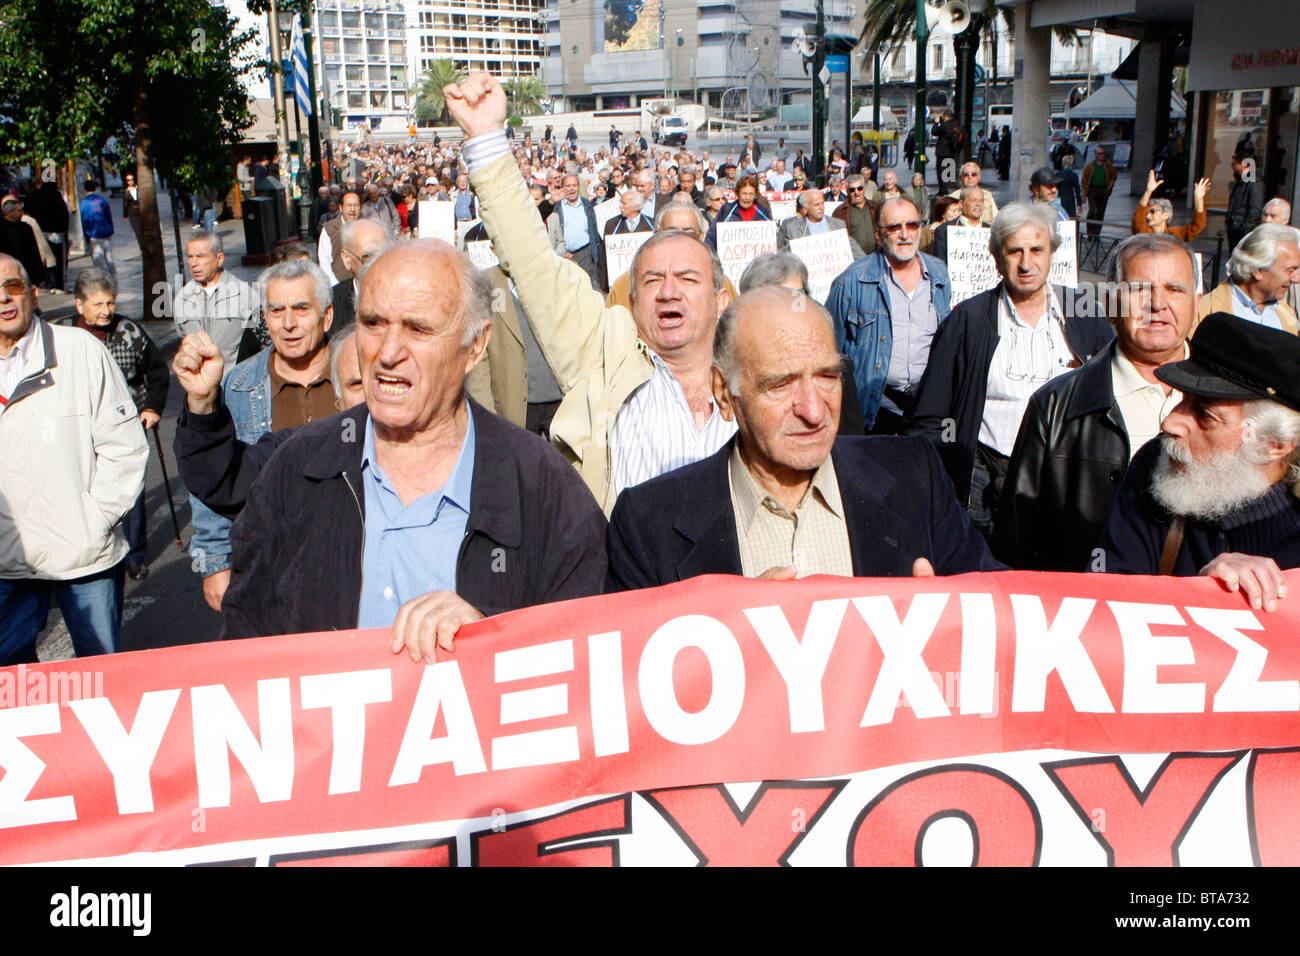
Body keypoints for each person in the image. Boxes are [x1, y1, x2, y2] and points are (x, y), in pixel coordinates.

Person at [217, 241, 608, 658]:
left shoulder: (542, 487)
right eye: (373, 323)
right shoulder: (296, 471)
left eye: (418, 329)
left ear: (475, 346)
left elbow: (590, 659)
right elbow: (245, 653)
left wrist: (492, 640)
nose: (387, 353)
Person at [447, 72, 736, 514]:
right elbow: (533, 262)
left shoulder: (752, 376)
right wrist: (487, 139)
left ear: (720, 299)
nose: (669, 292)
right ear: (632, 299)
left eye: (688, 279)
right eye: (652, 280)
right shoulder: (604, 352)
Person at [604, 286, 1001, 590]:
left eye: (828, 377)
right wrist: (727, 630)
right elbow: (627, 684)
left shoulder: (915, 475)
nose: (813, 411)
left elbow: (1008, 616)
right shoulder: (646, 524)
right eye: (781, 385)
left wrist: (955, 619)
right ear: (724, 394)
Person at [995, 233, 1197, 571]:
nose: (1158, 304)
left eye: (1175, 289)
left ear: (1197, 300)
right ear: (1111, 301)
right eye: (1140, 289)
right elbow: (1017, 541)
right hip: (1092, 608)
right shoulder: (1056, 405)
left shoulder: (1232, 402)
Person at [911, 203, 1113, 537]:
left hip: (1064, 482)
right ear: (996, 257)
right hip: (983, 479)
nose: (1026, 263)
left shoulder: (1085, 313)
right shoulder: (968, 320)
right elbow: (931, 415)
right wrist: (945, 477)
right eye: (1014, 251)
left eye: (1037, 250)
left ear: (1052, 254)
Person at [0, 254, 148, 665]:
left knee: (100, 677)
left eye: (12, 287)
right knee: (12, 691)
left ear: (32, 294)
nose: (3, 300)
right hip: (7, 564)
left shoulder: (80, 350)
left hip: (84, 556)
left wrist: (95, 519)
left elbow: (125, 446)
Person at [1092, 312, 1300, 596]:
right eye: (1182, 399)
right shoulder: (1158, 463)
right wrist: (1199, 593)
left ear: (1274, 444)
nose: (1170, 423)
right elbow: (1104, 597)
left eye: (1205, 415)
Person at [186, 259, 338, 613]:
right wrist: (215, 563)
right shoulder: (235, 386)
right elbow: (212, 479)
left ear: (326, 316)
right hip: (267, 568)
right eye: (276, 310)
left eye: (301, 309)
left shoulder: (360, 375)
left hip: (349, 559)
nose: (288, 323)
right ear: (264, 318)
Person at [71, 267, 169, 582]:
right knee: (86, 490)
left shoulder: (129, 330)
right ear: (79, 305)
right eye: (97, 304)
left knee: (130, 490)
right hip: (79, 427)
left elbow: (157, 371)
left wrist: (152, 407)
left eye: (110, 303)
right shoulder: (65, 336)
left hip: (126, 424)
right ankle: (94, 550)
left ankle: (134, 555)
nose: (106, 311)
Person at [827, 196, 951, 436]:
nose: (905, 234)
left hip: (927, 409)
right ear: (878, 234)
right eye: (894, 227)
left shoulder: (939, 274)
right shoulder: (851, 282)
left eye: (912, 225)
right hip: (874, 413)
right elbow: (831, 354)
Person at [173, 229, 256, 366]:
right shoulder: (182, 298)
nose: (194, 263)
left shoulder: (245, 296)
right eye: (190, 256)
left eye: (200, 256)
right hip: (198, 385)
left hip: (234, 384)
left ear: (219, 259)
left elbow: (261, 350)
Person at [1196, 223, 1299, 333]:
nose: (1296, 279)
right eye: (1290, 270)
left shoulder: (1286, 315)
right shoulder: (1201, 314)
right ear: (1257, 270)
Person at [546, 172, 606, 292]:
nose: (571, 188)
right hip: (563, 256)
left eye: (574, 185)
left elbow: (594, 231)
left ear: (579, 186)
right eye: (568, 186)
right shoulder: (556, 208)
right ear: (562, 188)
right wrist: (562, 253)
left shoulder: (587, 205)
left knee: (591, 290)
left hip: (585, 255)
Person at [777, 189, 866, 259]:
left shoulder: (838, 225)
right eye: (816, 205)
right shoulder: (792, 228)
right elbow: (782, 254)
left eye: (822, 203)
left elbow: (856, 252)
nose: (821, 207)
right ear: (806, 208)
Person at [1132, 169, 1210, 240]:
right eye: (1147, 213)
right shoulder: (1144, 233)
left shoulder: (1174, 234)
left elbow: (1197, 226)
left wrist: (1198, 199)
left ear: (1166, 215)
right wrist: (1148, 192)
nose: (1148, 216)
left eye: (1153, 211)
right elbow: (1138, 219)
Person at [704, 174, 772, 250]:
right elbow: (711, 238)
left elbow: (772, 237)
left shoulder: (763, 212)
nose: (747, 198)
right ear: (737, 194)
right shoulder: (727, 210)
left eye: (751, 194)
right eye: (744, 193)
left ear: (755, 194)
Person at [930, 186, 987, 265]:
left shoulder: (992, 231)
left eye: (981, 201)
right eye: (974, 200)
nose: (978, 204)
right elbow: (939, 266)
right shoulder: (944, 231)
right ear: (961, 203)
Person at [318, 188, 363, 284]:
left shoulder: (366, 226)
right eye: (348, 205)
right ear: (341, 208)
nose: (352, 209)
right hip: (339, 283)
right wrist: (335, 285)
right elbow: (324, 260)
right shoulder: (329, 229)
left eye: (356, 205)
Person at [0, 197, 48, 288]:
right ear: (10, 212)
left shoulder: (26, 228)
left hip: (25, 271)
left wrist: (40, 275)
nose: (21, 213)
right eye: (19, 210)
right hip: (6, 271)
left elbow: (34, 252)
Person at [832, 174, 878, 256]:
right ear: (847, 191)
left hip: (875, 256)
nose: (857, 192)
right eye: (852, 190)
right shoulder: (840, 212)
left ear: (864, 189)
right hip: (854, 259)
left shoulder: (875, 207)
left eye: (860, 188)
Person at [1226, 152, 1264, 253]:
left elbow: (1255, 209)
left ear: (1243, 165)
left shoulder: (1253, 182)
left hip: (1241, 230)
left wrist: (1243, 229)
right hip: (1235, 228)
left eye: (1234, 164)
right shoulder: (1241, 181)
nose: (1232, 167)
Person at [79, 181, 116, 276]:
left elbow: (85, 220)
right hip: (107, 232)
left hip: (94, 234)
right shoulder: (103, 201)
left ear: (85, 189)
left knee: (99, 259)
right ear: (95, 188)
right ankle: (113, 275)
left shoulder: (84, 203)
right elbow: (109, 216)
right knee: (109, 257)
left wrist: (87, 235)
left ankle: (105, 278)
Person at [1080, 147, 1117, 238]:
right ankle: (1090, 232)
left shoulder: (1108, 165)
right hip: (1092, 190)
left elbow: (1114, 176)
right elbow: (1084, 181)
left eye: (1103, 153)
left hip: (1103, 190)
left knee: (1100, 212)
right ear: (1096, 155)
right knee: (1092, 211)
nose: (1102, 155)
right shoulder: (1090, 166)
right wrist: (1084, 194)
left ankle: (1097, 233)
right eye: (1100, 153)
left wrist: (1109, 187)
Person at [932, 109, 961, 192]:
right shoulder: (956, 124)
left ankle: (943, 190)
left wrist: (936, 122)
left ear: (945, 116)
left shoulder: (945, 125)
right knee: (949, 171)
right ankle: (947, 188)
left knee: (941, 171)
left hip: (943, 152)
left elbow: (934, 132)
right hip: (952, 151)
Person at [122, 171, 141, 241]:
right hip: (132, 211)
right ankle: (142, 248)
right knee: (137, 231)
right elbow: (125, 203)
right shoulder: (126, 191)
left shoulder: (138, 188)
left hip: (140, 209)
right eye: (128, 180)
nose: (130, 181)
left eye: (132, 179)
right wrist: (125, 215)